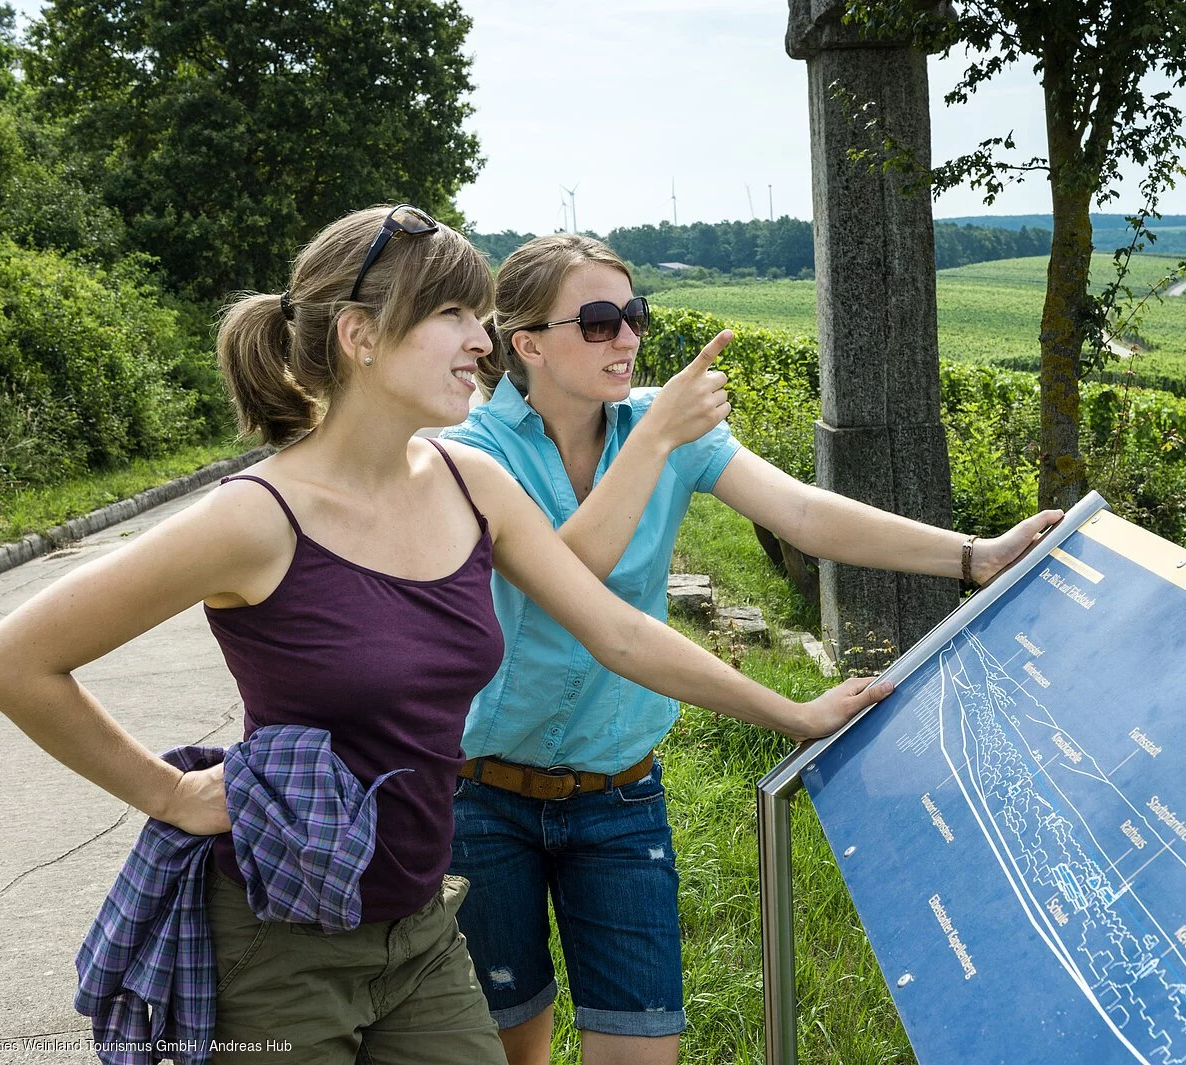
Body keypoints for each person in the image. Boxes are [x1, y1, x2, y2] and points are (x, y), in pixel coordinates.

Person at [0, 207, 890, 1065]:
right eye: (452, 313)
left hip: (420, 928)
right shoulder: (254, 517)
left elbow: (615, 631)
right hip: (280, 936)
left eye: (481, 315)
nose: (483, 342)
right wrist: (167, 790)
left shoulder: (470, 483)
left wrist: (793, 713)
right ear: (359, 335)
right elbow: (12, 660)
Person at [444, 232, 1063, 1065]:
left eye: (634, 314)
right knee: (511, 1046)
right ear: (526, 343)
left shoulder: (662, 425)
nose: (627, 337)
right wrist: (657, 437)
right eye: (598, 321)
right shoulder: (472, 452)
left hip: (617, 796)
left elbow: (802, 513)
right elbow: (567, 575)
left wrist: (970, 555)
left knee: (640, 1050)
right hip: (483, 797)